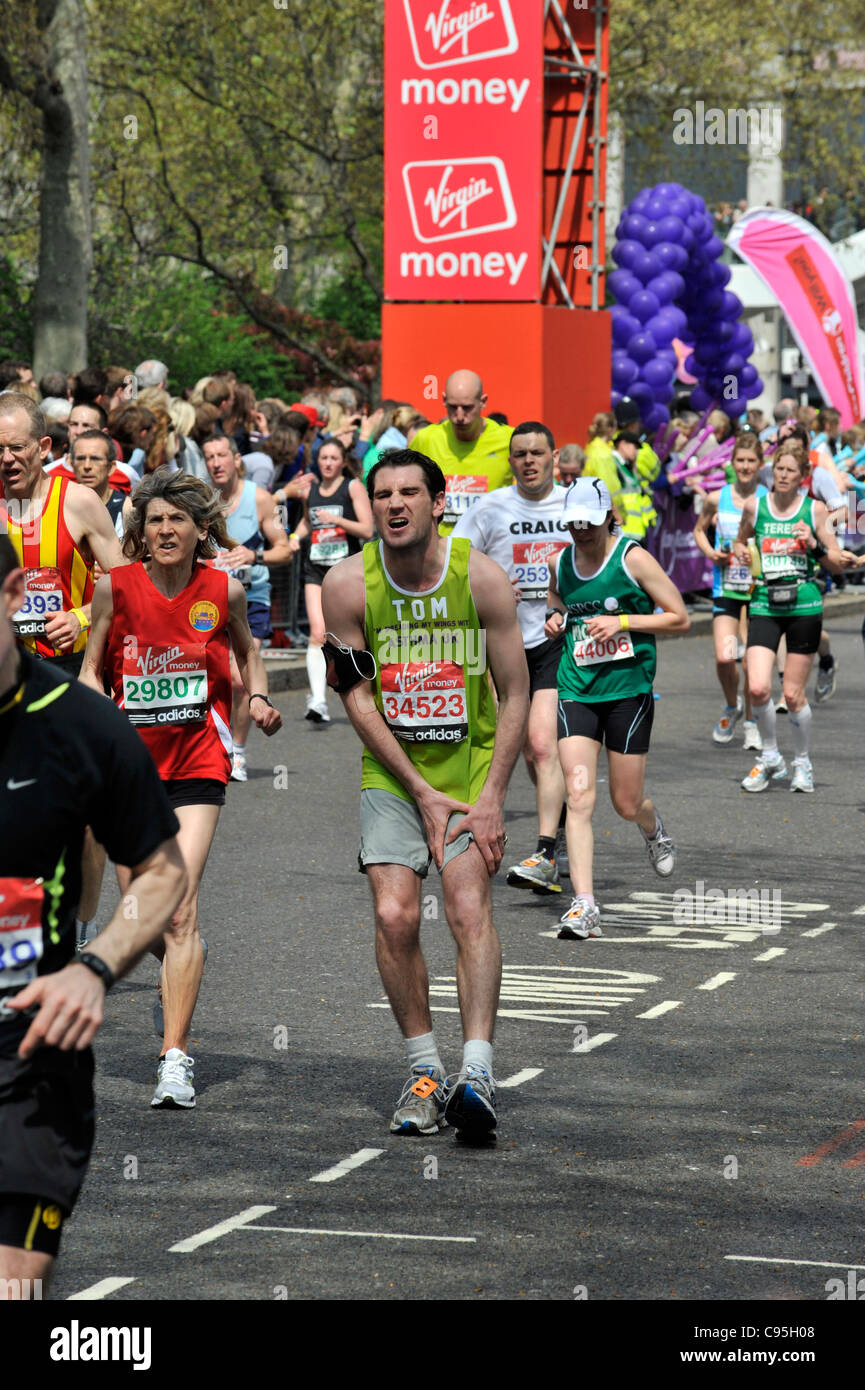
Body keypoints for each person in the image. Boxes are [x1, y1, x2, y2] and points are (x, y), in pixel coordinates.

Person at [321, 450, 529, 1139]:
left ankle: (475, 1071)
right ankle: (422, 1071)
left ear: (439, 503)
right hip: (393, 771)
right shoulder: (347, 586)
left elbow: (516, 690)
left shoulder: (483, 578)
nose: (395, 504)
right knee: (394, 914)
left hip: (469, 768)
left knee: (468, 906)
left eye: (410, 492)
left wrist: (494, 794)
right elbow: (354, 697)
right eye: (382, 495)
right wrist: (415, 787)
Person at [0, 534, 186, 1298]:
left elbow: (161, 873)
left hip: (27, 1049)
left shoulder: (80, 725)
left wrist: (94, 967)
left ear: (14, 595)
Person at [80, 469, 282, 1107]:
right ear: (139, 529)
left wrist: (260, 697)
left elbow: (250, 654)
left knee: (181, 906)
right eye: (154, 520)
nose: (165, 530)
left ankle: (174, 1056)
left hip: (197, 762)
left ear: (201, 530)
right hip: (129, 773)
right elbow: (91, 668)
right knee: (144, 913)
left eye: (177, 520)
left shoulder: (220, 590)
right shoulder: (115, 588)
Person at [545, 477, 690, 941]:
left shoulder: (632, 559)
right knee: (579, 795)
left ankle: (652, 827)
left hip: (628, 690)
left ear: (609, 516)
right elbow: (557, 604)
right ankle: (584, 905)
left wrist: (623, 620)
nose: (581, 531)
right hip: (576, 689)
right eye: (573, 523)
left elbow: (680, 617)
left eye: (589, 521)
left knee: (625, 802)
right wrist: (555, 619)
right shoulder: (559, 562)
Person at [453, 421, 569, 892]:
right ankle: (556, 832)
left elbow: (604, 555)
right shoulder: (490, 508)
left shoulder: (576, 503)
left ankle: (545, 852)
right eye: (519, 454)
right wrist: (493, 585)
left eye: (537, 452)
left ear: (554, 457)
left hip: (554, 640)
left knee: (542, 744)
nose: (528, 461)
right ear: (511, 460)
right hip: (503, 648)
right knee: (526, 748)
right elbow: (456, 560)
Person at [733, 439, 862, 793]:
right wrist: (742, 552)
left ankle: (802, 762)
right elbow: (740, 540)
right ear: (771, 473)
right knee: (758, 686)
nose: (784, 475)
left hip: (804, 604)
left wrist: (815, 544)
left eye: (791, 470)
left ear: (804, 476)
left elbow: (835, 560)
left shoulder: (815, 510)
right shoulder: (755, 506)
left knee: (792, 695)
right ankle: (770, 757)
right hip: (764, 602)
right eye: (779, 470)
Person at [0, 393, 124, 679]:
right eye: (0, 449)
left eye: (17, 447)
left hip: (75, 666)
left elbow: (127, 586)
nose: (7, 459)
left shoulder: (79, 502)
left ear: (43, 447)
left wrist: (78, 618)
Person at [202, 433, 291, 779]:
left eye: (221, 455)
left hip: (250, 598)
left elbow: (284, 549)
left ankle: (236, 751)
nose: (215, 462)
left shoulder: (261, 499)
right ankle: (211, 742)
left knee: (240, 680)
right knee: (210, 675)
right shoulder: (201, 501)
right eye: (209, 456)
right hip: (208, 598)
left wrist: (255, 555)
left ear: (236, 459)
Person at [288, 438, 373, 724]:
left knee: (353, 636)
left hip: (345, 570)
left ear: (342, 462)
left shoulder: (352, 487)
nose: (327, 463)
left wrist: (338, 522)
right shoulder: (310, 489)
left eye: (333, 458)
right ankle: (319, 702)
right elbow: (307, 522)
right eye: (323, 458)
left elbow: (367, 528)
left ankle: (365, 693)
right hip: (316, 568)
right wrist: (292, 539)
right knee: (317, 632)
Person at [693, 432, 767, 749]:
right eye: (741, 460)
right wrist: (711, 553)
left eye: (751, 461)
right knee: (725, 656)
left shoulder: (768, 498)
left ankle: (751, 722)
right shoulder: (716, 498)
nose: (746, 466)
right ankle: (731, 706)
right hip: (726, 587)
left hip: (757, 589)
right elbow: (698, 530)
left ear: (761, 464)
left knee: (751, 661)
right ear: (732, 463)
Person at [408, 369, 513, 534]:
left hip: (490, 547)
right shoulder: (426, 439)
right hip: (439, 550)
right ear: (443, 400)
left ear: (483, 402)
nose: (459, 415)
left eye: (467, 407)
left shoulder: (509, 440)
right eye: (452, 407)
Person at [69, 429, 126, 538]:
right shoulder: (58, 506)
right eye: (81, 458)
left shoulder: (125, 509)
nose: (87, 466)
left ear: (111, 467)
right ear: (72, 464)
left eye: (95, 458)